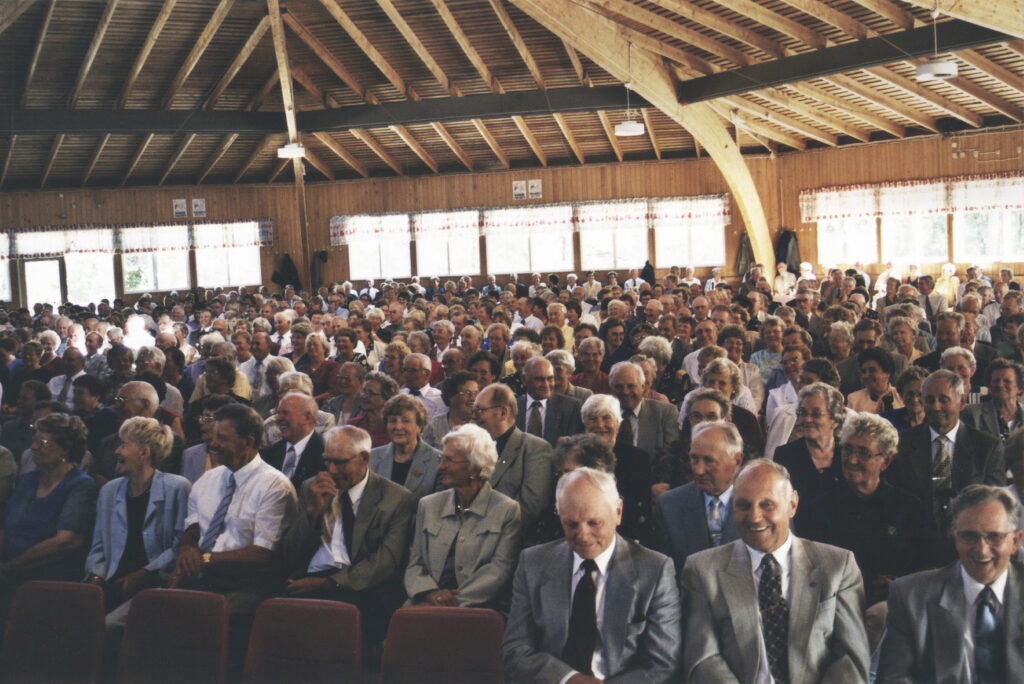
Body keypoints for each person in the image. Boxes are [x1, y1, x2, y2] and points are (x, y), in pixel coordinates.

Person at [681, 459, 870, 682]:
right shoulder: (703, 570)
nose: (754, 517)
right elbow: (703, 659)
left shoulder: (838, 566)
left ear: (792, 504)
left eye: (767, 505)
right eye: (744, 505)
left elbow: (851, 659)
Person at [502, 467, 681, 682]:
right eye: (571, 525)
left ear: (618, 512)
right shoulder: (533, 564)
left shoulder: (654, 570)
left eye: (594, 523)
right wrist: (569, 679)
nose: (583, 536)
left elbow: (663, 663)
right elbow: (516, 650)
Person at [281, 425, 415, 647]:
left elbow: (385, 563)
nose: (331, 470)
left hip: (358, 586)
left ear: (364, 459)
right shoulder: (311, 487)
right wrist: (313, 512)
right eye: (327, 461)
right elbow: (290, 553)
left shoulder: (396, 499)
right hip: (310, 577)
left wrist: (329, 583)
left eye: (340, 462)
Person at [170, 404, 297, 633]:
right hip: (199, 575)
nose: (213, 444)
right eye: (214, 437)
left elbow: (262, 553)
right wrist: (187, 548)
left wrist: (204, 559)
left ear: (248, 442)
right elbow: (194, 525)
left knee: (198, 625)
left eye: (222, 439)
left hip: (244, 584)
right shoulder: (208, 479)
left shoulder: (274, 486)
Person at [877, 485, 1024, 681]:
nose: (982, 549)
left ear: (1015, 541)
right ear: (954, 538)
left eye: (994, 537)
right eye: (969, 536)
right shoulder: (911, 596)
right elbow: (894, 679)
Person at [85, 417, 191, 625]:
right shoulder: (109, 491)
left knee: (103, 626)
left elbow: (180, 545)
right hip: (111, 582)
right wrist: (96, 578)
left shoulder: (177, 488)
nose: (116, 451)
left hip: (154, 584)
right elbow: (98, 546)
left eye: (124, 445)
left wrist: (143, 574)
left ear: (144, 453)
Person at [404, 423, 521, 609]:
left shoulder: (506, 510)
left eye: (449, 460)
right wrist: (429, 593)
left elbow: (499, 571)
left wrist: (453, 603)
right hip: (426, 600)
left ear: (474, 468)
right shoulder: (428, 505)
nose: (440, 466)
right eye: (441, 458)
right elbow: (414, 563)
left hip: (478, 607)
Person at [888, 370, 1005, 550]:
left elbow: (994, 506)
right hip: (914, 546)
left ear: (962, 402)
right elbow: (894, 501)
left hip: (969, 547)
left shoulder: (987, 447)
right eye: (929, 400)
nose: (936, 407)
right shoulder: (902, 444)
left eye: (944, 399)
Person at [0, 413, 97, 590]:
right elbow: (4, 528)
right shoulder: (27, 480)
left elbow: (66, 542)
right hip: (7, 574)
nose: (33, 447)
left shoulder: (81, 485)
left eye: (43, 442)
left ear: (65, 449)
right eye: (35, 440)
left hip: (48, 581)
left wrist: (10, 567)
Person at [654, 421, 742, 574]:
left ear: (737, 461)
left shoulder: (761, 506)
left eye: (709, 460)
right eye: (694, 459)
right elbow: (664, 575)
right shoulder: (669, 506)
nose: (698, 470)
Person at [472, 383, 554, 538]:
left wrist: (478, 525)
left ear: (503, 412)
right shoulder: (472, 447)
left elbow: (529, 509)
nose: (474, 416)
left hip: (510, 539)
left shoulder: (536, 449)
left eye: (480, 410)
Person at [579, 395, 653, 545]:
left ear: (618, 423)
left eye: (606, 418)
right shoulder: (575, 458)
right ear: (584, 423)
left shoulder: (638, 459)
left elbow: (641, 509)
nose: (600, 425)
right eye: (592, 419)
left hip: (625, 537)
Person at [774, 383, 846, 499]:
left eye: (816, 414)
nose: (807, 419)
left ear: (835, 420)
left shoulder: (848, 453)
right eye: (803, 413)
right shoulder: (785, 455)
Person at [369, 394, 441, 501]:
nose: (398, 427)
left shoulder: (438, 461)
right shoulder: (372, 458)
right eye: (393, 421)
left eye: (405, 421)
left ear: (420, 426)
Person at [609, 361, 679, 466]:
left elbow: (671, 458)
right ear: (611, 389)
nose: (625, 392)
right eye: (619, 387)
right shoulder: (604, 416)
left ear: (642, 387)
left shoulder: (665, 413)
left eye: (630, 386)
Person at [260, 392, 325, 490]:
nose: (278, 418)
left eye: (285, 413)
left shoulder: (324, 455)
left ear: (307, 417)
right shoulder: (268, 454)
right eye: (278, 413)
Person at [515, 357, 584, 448]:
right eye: (539, 379)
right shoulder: (512, 407)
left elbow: (574, 448)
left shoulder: (571, 408)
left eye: (550, 379)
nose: (546, 385)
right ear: (524, 379)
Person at [962, 358, 1024, 442]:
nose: (1000, 385)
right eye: (996, 381)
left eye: (1007, 381)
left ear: (1020, 388)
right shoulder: (972, 414)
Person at [421, 371, 477, 450]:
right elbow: (422, 453)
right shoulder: (434, 426)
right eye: (468, 393)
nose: (473, 398)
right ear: (451, 397)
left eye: (476, 393)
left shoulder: (481, 425)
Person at [347, 371, 398, 448]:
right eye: (363, 391)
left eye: (370, 393)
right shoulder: (353, 425)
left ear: (386, 399)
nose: (363, 396)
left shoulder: (394, 427)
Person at [846, 346, 903, 414]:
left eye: (872, 370)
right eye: (863, 371)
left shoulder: (901, 398)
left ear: (887, 373)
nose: (866, 376)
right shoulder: (854, 400)